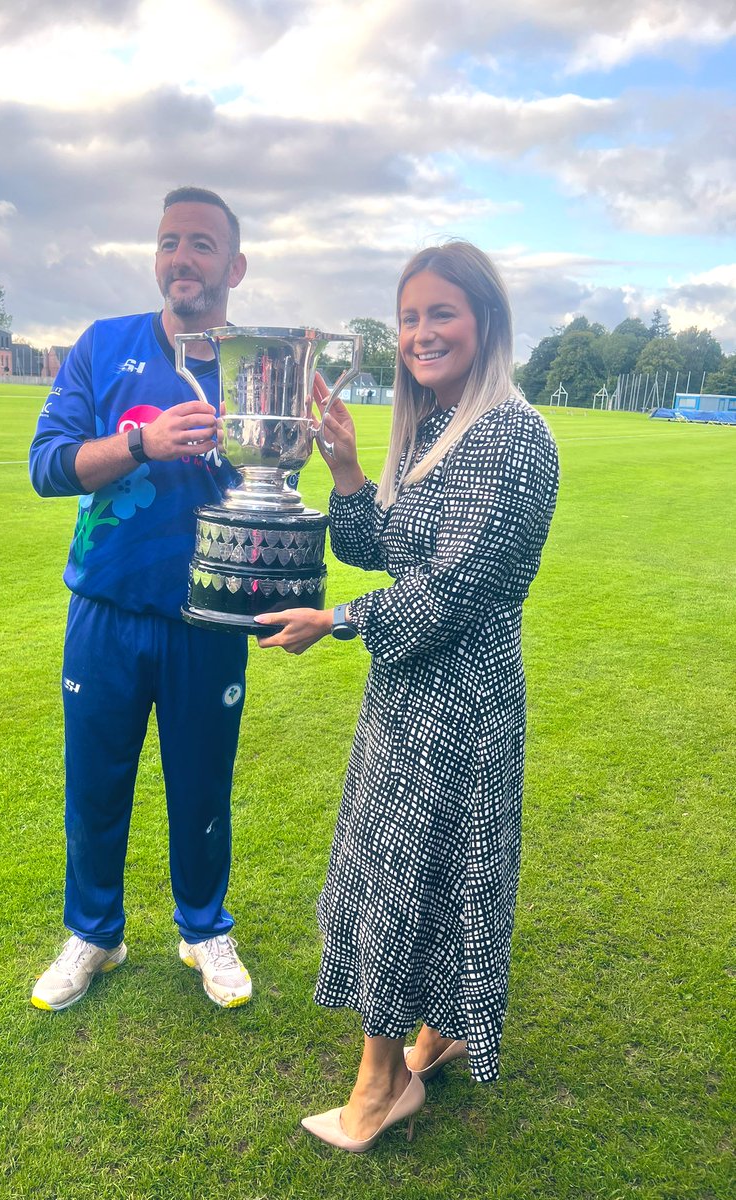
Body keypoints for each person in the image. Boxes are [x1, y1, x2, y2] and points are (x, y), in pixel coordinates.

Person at [256, 241, 559, 1151]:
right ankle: (439, 1032)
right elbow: (384, 548)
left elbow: (456, 587)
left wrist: (337, 621)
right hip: (406, 695)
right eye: (409, 317)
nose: (421, 333)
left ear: (485, 321)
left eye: (441, 313)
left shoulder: (512, 435)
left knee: (409, 875)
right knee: (413, 870)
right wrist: (349, 470)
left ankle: (381, 1083)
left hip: (461, 705)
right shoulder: (434, 426)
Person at [28, 186, 254, 1012]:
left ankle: (204, 929)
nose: (180, 259)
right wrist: (140, 442)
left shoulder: (256, 365)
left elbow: (271, 482)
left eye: (200, 244)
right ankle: (95, 932)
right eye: (168, 242)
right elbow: (47, 466)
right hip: (107, 609)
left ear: (234, 266)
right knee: (95, 783)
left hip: (207, 618)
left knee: (202, 785)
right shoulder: (105, 343)